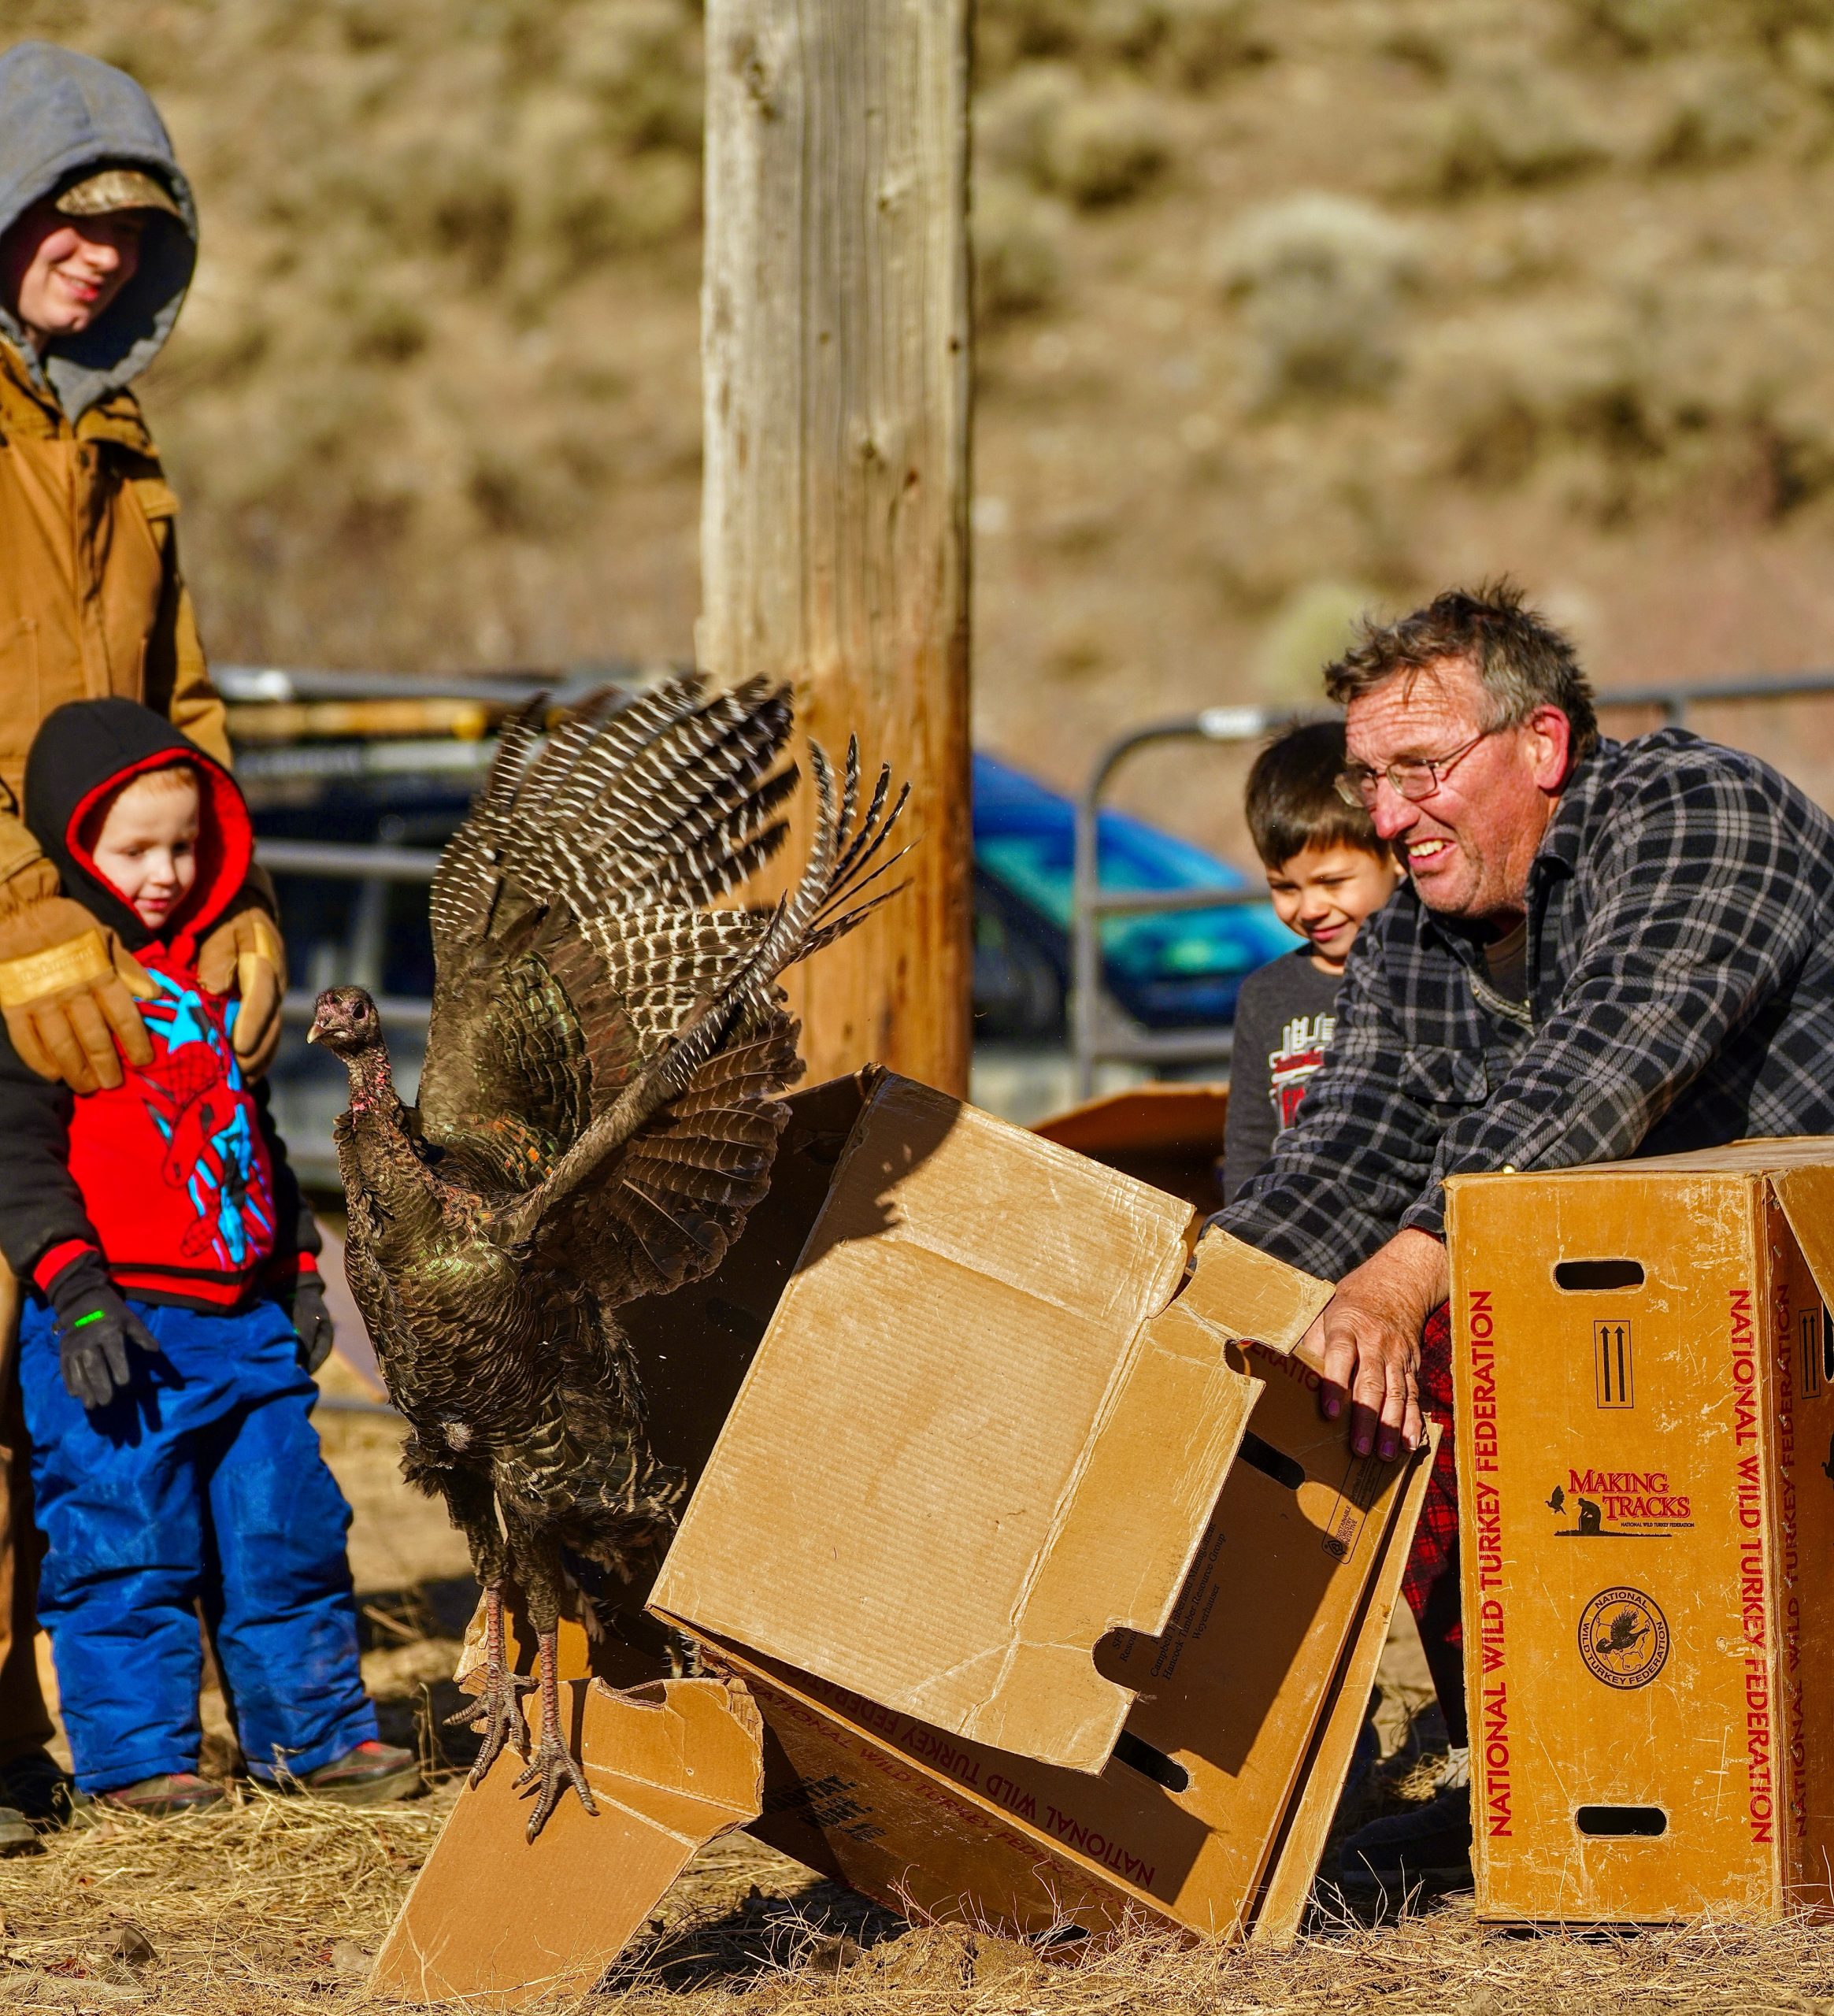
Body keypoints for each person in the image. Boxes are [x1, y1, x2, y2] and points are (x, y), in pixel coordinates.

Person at [1212, 580, 1834, 1892]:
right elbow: (1337, 1158)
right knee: (1349, 1371)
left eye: (1420, 769)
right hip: (1622, 1350)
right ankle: (1538, 1762)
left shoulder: (1698, 814)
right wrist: (1169, 1305)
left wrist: (1403, 1272)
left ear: (1541, 747)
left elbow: (1600, 1066)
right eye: (1372, 780)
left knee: (1415, 1315)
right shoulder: (1411, 942)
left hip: (1790, 1341)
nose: (1388, 817)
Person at [0, 39, 287, 1842]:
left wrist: (232, 881)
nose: (98, 254)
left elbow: (174, 700)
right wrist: (29, 917)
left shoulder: (120, 437)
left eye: (131, 229)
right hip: (29, 957)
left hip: (127, 972)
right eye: (68, 214)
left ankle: (71, 1730)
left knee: (91, 1374)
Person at [0, 699, 413, 1815]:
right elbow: (17, 1153)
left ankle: (314, 1741)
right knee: (123, 1540)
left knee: (285, 1528)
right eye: (136, 848)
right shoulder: (57, 990)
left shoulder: (218, 972)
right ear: (74, 840)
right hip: (116, 1320)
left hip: (240, 1319)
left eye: (186, 844)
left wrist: (292, 1263)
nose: (167, 870)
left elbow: (251, 1132)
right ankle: (141, 1765)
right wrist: (72, 1291)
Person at [1220, 722, 1402, 1205]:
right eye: (1285, 887)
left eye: (1332, 881)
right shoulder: (1264, 995)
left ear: (1394, 856)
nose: (1310, 908)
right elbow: (1249, 1146)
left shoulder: (1428, 978)